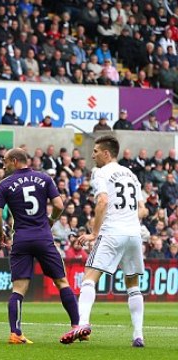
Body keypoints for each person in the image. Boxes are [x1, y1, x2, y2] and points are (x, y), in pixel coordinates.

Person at [0, 148, 82, 344]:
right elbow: (59, 205)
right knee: (61, 282)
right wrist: (50, 221)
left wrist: (1, 235)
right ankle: (77, 326)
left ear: (15, 161)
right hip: (43, 237)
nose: (3, 165)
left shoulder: (5, 184)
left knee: (18, 289)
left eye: (6, 161)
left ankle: (15, 333)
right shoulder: (44, 178)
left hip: (22, 239)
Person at [77, 135, 147, 347]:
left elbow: (103, 201)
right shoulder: (132, 175)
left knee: (89, 277)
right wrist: (128, 220)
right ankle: (138, 335)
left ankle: (83, 323)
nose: (92, 155)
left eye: (96, 151)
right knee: (133, 285)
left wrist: (94, 233)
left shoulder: (100, 172)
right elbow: (143, 209)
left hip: (112, 232)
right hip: (134, 234)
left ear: (107, 153)